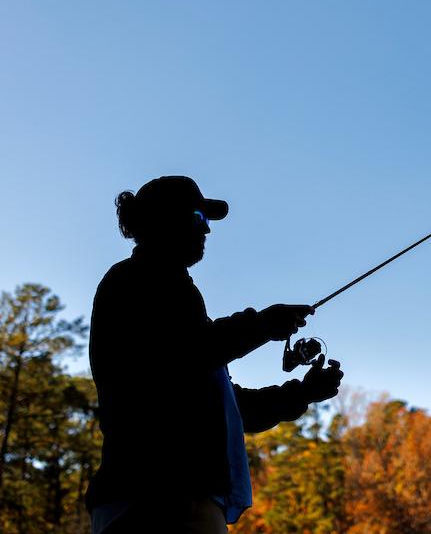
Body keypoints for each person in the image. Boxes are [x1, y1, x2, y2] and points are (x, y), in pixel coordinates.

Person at [86, 176, 343, 533]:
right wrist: (263, 324)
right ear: (164, 219)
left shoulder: (173, 293)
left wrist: (302, 393)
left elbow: (227, 408)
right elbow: (185, 353)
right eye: (198, 217)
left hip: (171, 500)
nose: (206, 230)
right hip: (157, 499)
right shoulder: (132, 280)